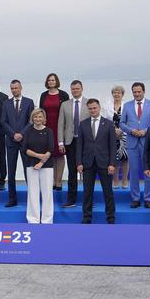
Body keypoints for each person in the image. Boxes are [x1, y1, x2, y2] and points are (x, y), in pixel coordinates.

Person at [76, 99, 117, 224]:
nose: (92, 110)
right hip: (87, 163)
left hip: (104, 163)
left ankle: (110, 217)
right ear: (88, 109)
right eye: (90, 108)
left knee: (108, 191)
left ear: (99, 108)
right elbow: (79, 145)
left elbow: (112, 146)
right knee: (87, 192)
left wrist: (112, 163)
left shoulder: (109, 124)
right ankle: (87, 217)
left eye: (94, 108)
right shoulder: (82, 124)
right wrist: (79, 163)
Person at [120, 82, 150, 208]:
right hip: (132, 142)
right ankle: (135, 198)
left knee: (148, 171)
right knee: (134, 172)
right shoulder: (126, 105)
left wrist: (145, 131)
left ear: (143, 91)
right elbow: (122, 123)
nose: (136, 94)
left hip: (147, 143)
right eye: (134, 92)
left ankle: (148, 198)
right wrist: (131, 130)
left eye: (139, 91)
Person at [0, 79, 34, 207]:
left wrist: (22, 134)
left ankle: (32, 197)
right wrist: (13, 134)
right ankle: (12, 199)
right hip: (11, 141)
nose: (14, 90)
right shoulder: (6, 103)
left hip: (25, 142)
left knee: (28, 171)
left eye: (16, 88)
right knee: (11, 171)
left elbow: (31, 121)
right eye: (12, 88)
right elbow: (3, 122)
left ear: (21, 88)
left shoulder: (29, 102)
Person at [57, 80, 89, 208]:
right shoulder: (65, 105)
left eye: (77, 88)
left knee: (87, 171)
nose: (75, 91)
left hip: (86, 142)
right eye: (73, 89)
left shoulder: (89, 103)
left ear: (82, 89)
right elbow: (61, 124)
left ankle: (88, 200)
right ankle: (71, 199)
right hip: (70, 141)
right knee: (71, 172)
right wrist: (60, 142)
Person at [22, 108, 54, 224]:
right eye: (35, 116)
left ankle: (47, 220)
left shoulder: (49, 131)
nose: (38, 119)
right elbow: (24, 149)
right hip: (31, 165)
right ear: (32, 118)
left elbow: (51, 149)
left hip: (47, 166)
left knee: (47, 193)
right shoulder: (28, 131)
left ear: (44, 118)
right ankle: (33, 219)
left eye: (40, 117)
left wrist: (41, 163)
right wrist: (38, 156)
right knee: (32, 192)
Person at [39, 73, 70, 190]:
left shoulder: (63, 94)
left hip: (60, 127)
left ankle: (59, 181)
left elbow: (67, 111)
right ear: (47, 82)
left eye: (53, 80)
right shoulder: (43, 95)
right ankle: (52, 181)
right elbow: (41, 111)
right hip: (47, 128)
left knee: (60, 155)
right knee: (50, 154)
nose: (51, 82)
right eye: (49, 80)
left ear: (56, 81)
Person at [102, 85, 129, 189]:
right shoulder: (107, 105)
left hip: (124, 135)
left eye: (119, 92)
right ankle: (116, 180)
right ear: (112, 94)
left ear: (122, 94)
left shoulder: (127, 106)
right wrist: (114, 130)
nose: (116, 94)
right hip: (111, 134)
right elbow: (104, 120)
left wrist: (122, 130)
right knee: (114, 158)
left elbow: (129, 120)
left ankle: (125, 180)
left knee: (125, 158)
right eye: (115, 92)